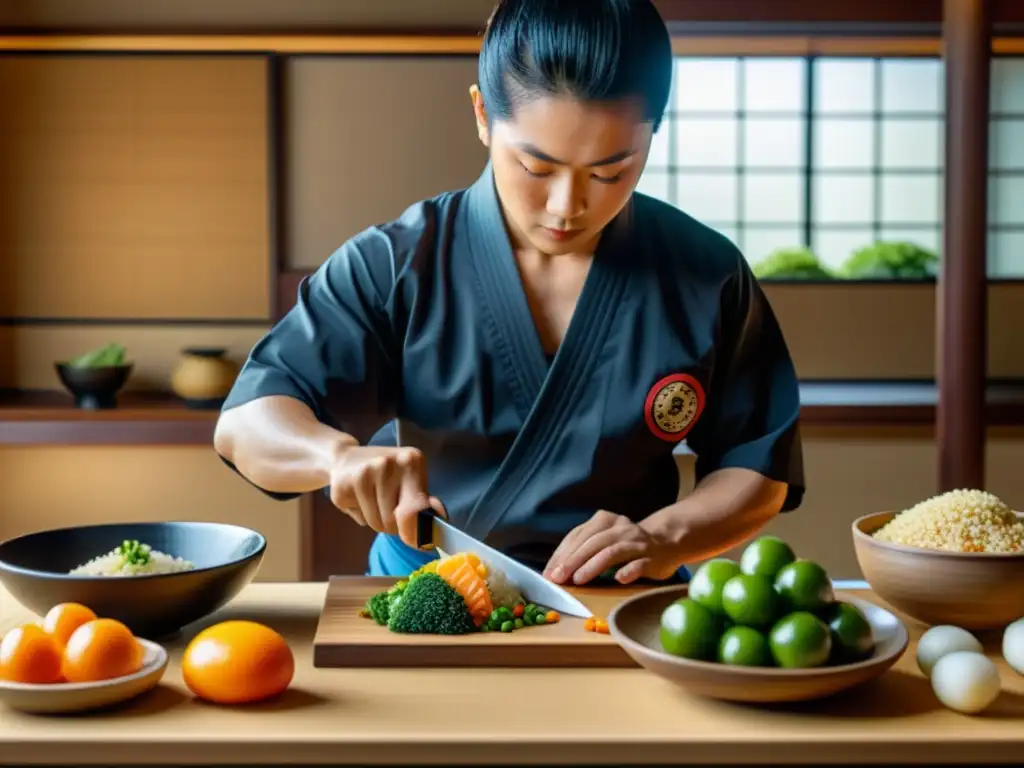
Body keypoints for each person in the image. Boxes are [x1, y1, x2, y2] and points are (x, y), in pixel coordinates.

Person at [213, 0, 805, 587]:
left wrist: (663, 536)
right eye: (536, 166)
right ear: (481, 115)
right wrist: (334, 458)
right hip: (430, 593)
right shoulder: (396, 262)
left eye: (610, 171)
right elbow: (247, 423)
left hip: (624, 603)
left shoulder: (707, 274)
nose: (567, 206)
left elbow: (757, 466)